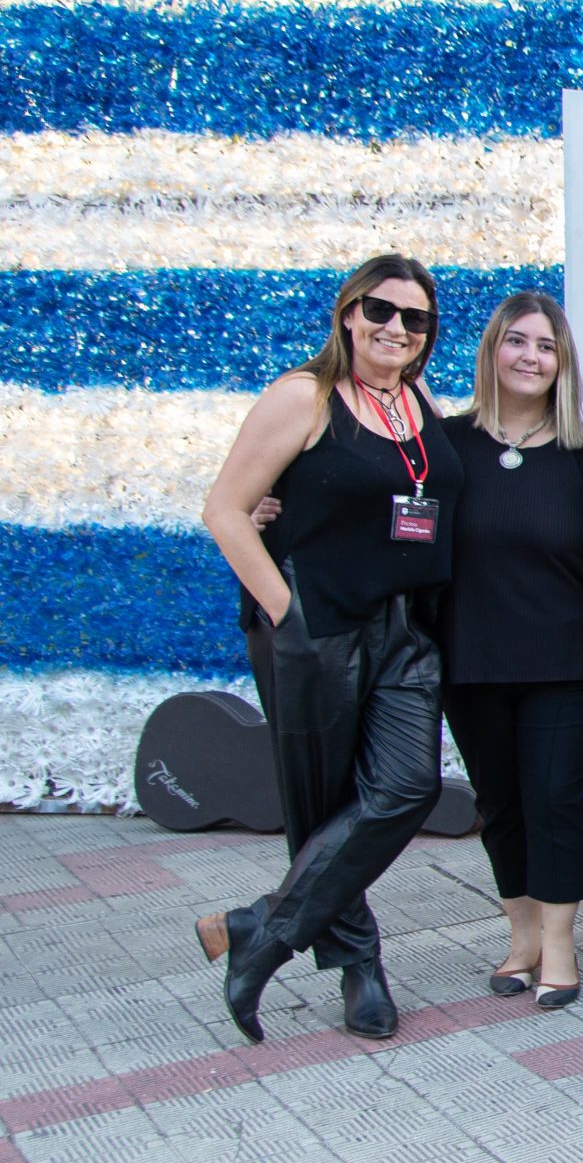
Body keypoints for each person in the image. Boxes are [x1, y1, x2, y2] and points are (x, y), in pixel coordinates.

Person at [192, 256, 463, 1043]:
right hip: (321, 628)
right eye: (381, 310)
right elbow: (226, 509)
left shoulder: (414, 401)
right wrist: (289, 614)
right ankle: (361, 967)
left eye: (415, 319)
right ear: (349, 313)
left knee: (404, 788)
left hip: (406, 631)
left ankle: (260, 929)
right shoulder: (302, 396)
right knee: (327, 800)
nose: (397, 329)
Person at [441, 293, 583, 1011]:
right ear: (492, 351)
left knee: (555, 799)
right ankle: (521, 937)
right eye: (517, 341)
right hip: (470, 660)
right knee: (498, 804)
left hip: (567, 662)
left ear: (563, 363)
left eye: (547, 346)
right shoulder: (446, 447)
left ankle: (559, 944)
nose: (531, 356)